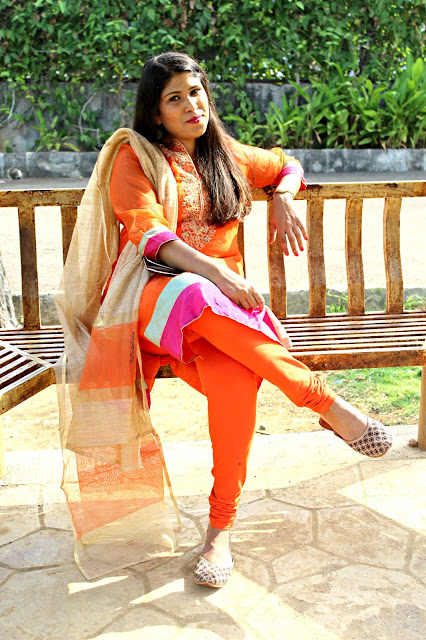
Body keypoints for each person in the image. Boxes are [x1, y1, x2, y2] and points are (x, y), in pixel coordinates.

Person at [62, 52, 392, 586]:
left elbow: (286, 165)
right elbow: (148, 233)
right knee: (195, 288)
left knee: (236, 382)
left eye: (195, 91)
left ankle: (220, 528)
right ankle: (322, 401)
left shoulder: (226, 154)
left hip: (222, 319)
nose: (191, 105)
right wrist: (217, 271)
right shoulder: (134, 156)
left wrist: (282, 197)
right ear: (155, 113)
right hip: (153, 302)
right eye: (175, 98)